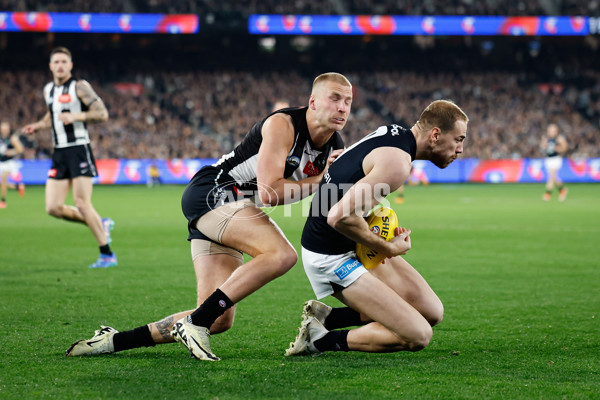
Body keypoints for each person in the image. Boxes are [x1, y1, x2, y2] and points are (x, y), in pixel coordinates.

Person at [65, 72, 353, 360]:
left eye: (348, 101)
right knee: (281, 255)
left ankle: (114, 341)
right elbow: (269, 193)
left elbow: (329, 205)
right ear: (313, 102)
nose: (342, 107)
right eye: (335, 98)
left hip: (234, 209)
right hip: (213, 191)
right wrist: (323, 179)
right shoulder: (284, 124)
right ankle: (194, 324)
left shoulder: (334, 145)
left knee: (216, 318)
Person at [285, 99, 468, 357]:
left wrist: (376, 225)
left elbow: (353, 172)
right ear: (436, 134)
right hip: (329, 256)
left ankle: (327, 317)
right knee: (418, 335)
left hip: (350, 243)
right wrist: (388, 248)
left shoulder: (394, 133)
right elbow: (339, 217)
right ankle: (318, 340)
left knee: (431, 312)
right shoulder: (398, 163)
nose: (460, 149)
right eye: (458, 139)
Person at [21, 47, 116, 268]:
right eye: (56, 62)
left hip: (78, 149)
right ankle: (101, 224)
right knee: (53, 207)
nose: (60, 65)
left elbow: (102, 113)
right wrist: (38, 126)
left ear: (71, 65)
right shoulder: (48, 90)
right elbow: (52, 116)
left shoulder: (79, 87)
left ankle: (107, 254)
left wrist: (76, 116)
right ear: (50, 66)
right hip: (59, 152)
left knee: (82, 202)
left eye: (64, 61)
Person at [0, 121, 25, 208]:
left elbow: (20, 149)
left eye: (6, 127)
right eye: (3, 127)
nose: (4, 129)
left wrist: (11, 152)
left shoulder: (12, 138)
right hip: (1, 162)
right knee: (3, 183)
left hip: (9, 163)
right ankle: (18, 187)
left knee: (3, 179)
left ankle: (3, 201)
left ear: (9, 129)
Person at [541, 123, 568, 202]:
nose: (551, 132)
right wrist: (543, 143)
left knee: (552, 176)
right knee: (552, 178)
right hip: (548, 159)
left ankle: (548, 193)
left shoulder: (559, 138)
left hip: (556, 159)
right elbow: (543, 147)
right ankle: (561, 190)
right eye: (549, 130)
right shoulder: (546, 139)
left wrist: (558, 148)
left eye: (553, 130)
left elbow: (565, 147)